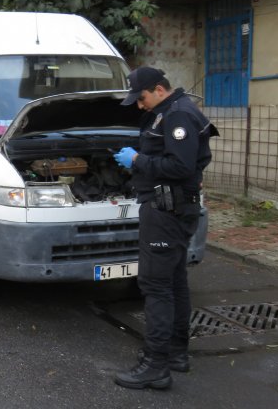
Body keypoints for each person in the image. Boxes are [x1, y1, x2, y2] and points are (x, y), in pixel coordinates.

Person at [112, 67, 219, 390]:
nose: (140, 106)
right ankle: (175, 353)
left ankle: (155, 366)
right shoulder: (172, 112)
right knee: (173, 282)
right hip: (174, 207)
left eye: (141, 98)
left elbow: (181, 165)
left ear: (159, 89)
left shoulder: (178, 115)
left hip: (166, 211)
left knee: (155, 286)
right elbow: (195, 163)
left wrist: (137, 161)